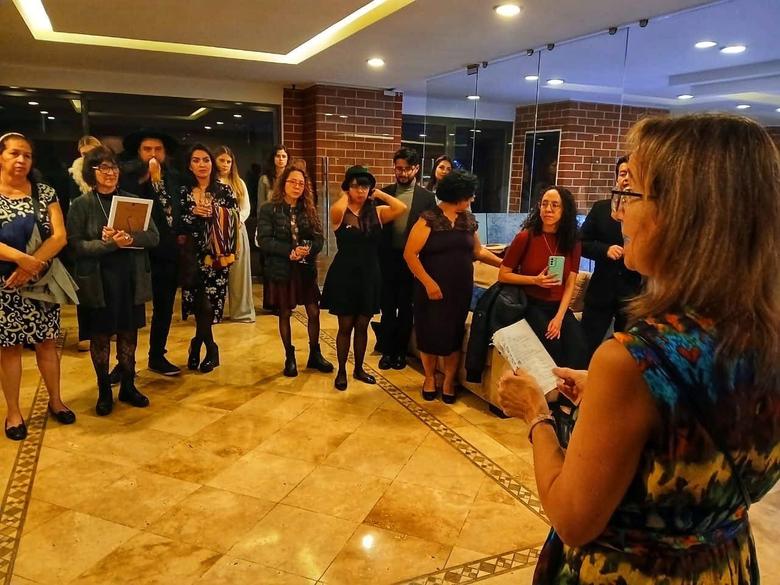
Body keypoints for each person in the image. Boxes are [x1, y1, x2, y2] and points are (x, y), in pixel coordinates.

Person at [497, 113, 780, 584]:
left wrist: (536, 415)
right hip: (723, 565)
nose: (619, 213)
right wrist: (610, 395)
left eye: (630, 195)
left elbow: (573, 518)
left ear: (684, 214)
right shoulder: (764, 335)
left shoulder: (631, 360)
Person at [67, 146, 159, 415]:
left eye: (114, 167)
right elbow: (75, 246)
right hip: (98, 281)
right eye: (103, 168)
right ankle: (104, 390)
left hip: (129, 278)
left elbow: (153, 237)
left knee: (129, 334)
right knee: (100, 337)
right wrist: (108, 244)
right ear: (91, 172)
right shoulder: (81, 204)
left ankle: (128, 385)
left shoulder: (133, 200)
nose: (110, 173)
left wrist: (130, 238)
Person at [0, 132, 74, 440]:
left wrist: (32, 265)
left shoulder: (44, 191)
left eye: (27, 155)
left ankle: (56, 400)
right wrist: (20, 259)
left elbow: (60, 236)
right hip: (4, 285)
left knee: (47, 342)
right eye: (14, 153)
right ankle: (13, 412)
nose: (21, 160)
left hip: (40, 280)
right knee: (9, 348)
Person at [404, 170, 501, 403]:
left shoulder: (467, 220)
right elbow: (410, 254)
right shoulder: (428, 218)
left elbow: (478, 251)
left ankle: (448, 380)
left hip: (460, 288)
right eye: (470, 195)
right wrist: (428, 283)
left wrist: (505, 264)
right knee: (428, 333)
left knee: (453, 335)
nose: (472, 199)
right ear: (459, 195)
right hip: (431, 288)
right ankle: (429, 378)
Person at [321, 166, 407, 391]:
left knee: (362, 325)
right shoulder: (341, 211)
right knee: (345, 326)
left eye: (365, 186)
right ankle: (341, 371)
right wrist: (345, 194)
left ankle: (359, 369)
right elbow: (335, 210)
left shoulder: (376, 212)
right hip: (344, 274)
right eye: (356, 186)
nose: (360, 190)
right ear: (348, 187)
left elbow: (401, 208)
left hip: (370, 274)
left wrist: (379, 194)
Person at [498, 186, 588, 370]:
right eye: (544, 204)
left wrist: (559, 317)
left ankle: (570, 389)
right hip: (531, 304)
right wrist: (534, 280)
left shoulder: (572, 241)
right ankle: (550, 389)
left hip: (559, 306)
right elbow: (503, 275)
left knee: (579, 348)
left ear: (564, 210)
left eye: (555, 205)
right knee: (553, 344)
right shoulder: (525, 237)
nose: (548, 209)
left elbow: (570, 283)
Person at [257, 166, 332, 377]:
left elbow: (319, 238)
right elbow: (264, 240)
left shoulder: (308, 208)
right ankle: (289, 356)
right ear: (283, 183)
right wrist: (288, 251)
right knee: (285, 312)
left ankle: (315, 354)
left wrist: (307, 249)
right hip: (282, 268)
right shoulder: (268, 209)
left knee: (313, 312)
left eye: (301, 183)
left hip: (305, 268)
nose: (297, 186)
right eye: (293, 182)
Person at [120, 129, 182, 376]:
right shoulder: (127, 177)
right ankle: (124, 363)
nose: (153, 154)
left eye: (158, 149)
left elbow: (175, 210)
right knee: (130, 310)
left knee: (164, 308)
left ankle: (157, 356)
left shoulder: (174, 177)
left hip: (167, 252)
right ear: (139, 152)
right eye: (147, 149)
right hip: (136, 253)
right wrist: (148, 178)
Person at [377, 148, 437, 371]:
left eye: (407, 169)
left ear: (416, 169)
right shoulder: (384, 193)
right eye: (398, 168)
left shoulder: (426, 198)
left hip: (411, 260)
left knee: (405, 308)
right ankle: (387, 351)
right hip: (387, 258)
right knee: (387, 307)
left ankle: (401, 353)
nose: (402, 173)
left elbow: (431, 231)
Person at [180, 144, 237, 373]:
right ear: (189, 165)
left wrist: (216, 212)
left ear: (212, 164)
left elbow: (234, 218)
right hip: (190, 255)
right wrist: (192, 212)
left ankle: (200, 346)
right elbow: (174, 220)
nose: (201, 164)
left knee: (209, 305)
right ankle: (208, 347)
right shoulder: (183, 191)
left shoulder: (224, 190)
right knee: (198, 304)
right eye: (196, 160)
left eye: (205, 160)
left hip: (216, 255)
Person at [580, 155, 642, 361]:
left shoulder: (647, 213)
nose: (626, 178)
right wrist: (604, 250)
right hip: (601, 291)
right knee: (585, 347)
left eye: (631, 174)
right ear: (616, 178)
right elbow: (580, 243)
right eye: (623, 174)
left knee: (627, 354)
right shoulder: (601, 208)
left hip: (633, 294)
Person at [67, 135, 102, 352]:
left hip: (105, 233)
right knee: (85, 286)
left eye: (92, 153)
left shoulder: (108, 170)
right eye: (84, 153)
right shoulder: (74, 174)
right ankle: (86, 333)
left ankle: (108, 328)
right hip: (82, 233)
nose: (88, 157)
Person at [215, 145, 255, 323]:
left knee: (240, 274)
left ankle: (241, 312)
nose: (225, 164)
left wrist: (237, 220)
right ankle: (213, 312)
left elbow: (246, 207)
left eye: (229, 161)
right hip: (216, 231)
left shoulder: (239, 183)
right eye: (222, 160)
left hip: (237, 230)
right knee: (216, 272)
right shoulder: (210, 182)